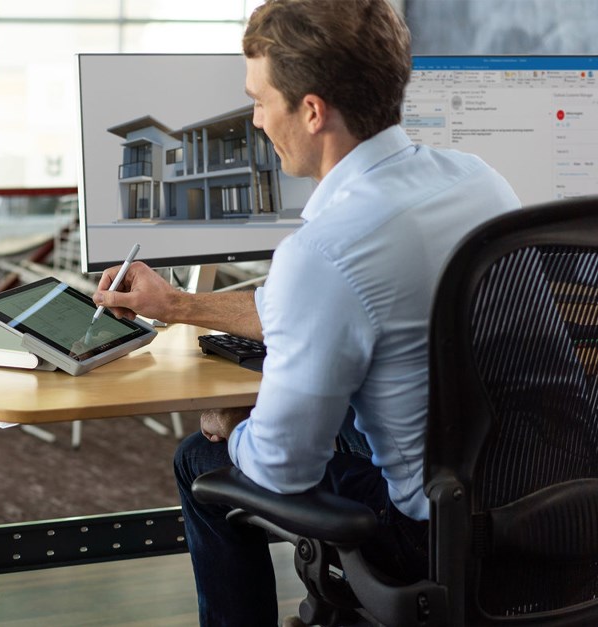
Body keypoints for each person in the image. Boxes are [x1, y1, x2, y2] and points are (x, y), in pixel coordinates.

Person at [92, 0, 521, 624]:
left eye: (260, 100)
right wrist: (178, 305)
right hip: (544, 503)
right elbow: (317, 308)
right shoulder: (477, 180)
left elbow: (283, 469)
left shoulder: (325, 248)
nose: (257, 120)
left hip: (432, 536)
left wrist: (238, 427)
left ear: (312, 112)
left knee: (200, 458)